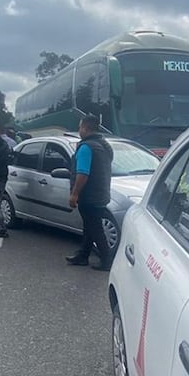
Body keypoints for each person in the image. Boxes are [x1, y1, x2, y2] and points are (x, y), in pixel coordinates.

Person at [66, 114, 115, 271]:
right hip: (101, 193)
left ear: (85, 128)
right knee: (90, 226)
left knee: (95, 228)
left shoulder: (86, 147)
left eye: (80, 127)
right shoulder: (104, 145)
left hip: (88, 195)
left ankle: (107, 261)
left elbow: (82, 173)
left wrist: (74, 194)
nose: (79, 130)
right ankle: (82, 256)